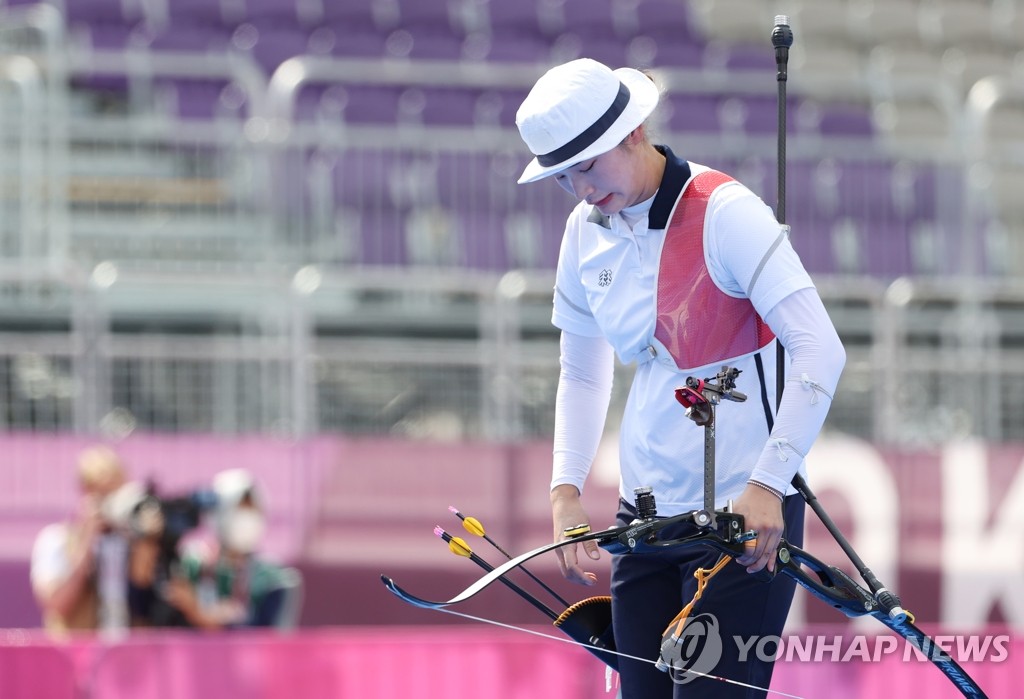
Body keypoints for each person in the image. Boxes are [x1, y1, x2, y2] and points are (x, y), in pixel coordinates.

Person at [515, 58, 846, 697]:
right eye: (563, 176)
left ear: (634, 131)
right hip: (644, 521)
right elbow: (583, 371)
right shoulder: (582, 231)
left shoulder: (726, 212)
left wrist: (769, 484)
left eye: (587, 165)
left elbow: (819, 350)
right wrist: (564, 492)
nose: (580, 189)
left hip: (743, 518)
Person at [162, 468, 301, 630]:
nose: (245, 519)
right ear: (218, 514)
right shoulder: (191, 566)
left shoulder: (273, 578)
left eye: (251, 510)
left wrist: (203, 616)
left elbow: (269, 638)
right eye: (237, 509)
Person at [30, 445, 137, 635]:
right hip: (73, 658)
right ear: (85, 490)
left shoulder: (130, 542)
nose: (112, 504)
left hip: (124, 658)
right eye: (105, 494)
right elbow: (56, 603)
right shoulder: (56, 540)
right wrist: (87, 541)